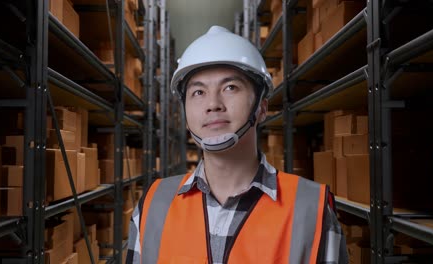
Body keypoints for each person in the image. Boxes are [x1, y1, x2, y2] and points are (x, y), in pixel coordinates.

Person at [126, 25, 348, 264]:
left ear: (261, 107)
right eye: (198, 92)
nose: (213, 104)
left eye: (230, 87)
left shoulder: (311, 209)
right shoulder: (152, 205)